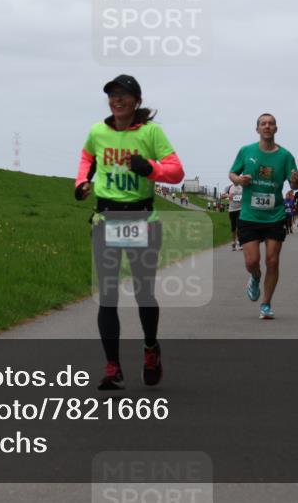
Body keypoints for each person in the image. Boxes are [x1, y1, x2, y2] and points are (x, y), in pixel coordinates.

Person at [75, 75, 184, 390]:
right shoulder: (98, 131)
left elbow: (176, 172)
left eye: (123, 95)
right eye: (112, 95)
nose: (117, 100)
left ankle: (150, 348)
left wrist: (149, 168)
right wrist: (81, 184)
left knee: (142, 292)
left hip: (142, 220)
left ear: (137, 101)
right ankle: (113, 368)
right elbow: (87, 158)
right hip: (106, 219)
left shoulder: (151, 132)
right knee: (107, 296)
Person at [228, 113, 298, 320]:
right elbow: (232, 173)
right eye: (263, 124)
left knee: (272, 260)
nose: (267, 126)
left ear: (276, 128)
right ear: (257, 129)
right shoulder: (246, 151)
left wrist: (295, 181)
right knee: (252, 261)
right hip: (250, 215)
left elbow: (294, 184)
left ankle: (266, 304)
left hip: (275, 216)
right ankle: (255, 276)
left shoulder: (286, 156)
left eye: (271, 123)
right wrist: (239, 180)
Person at [227, 182, 243, 250]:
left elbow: (242, 198)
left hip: (240, 209)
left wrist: (232, 197)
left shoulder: (241, 187)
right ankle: (233, 242)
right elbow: (223, 196)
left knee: (239, 225)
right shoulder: (229, 187)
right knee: (233, 227)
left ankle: (239, 242)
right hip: (232, 210)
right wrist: (227, 195)